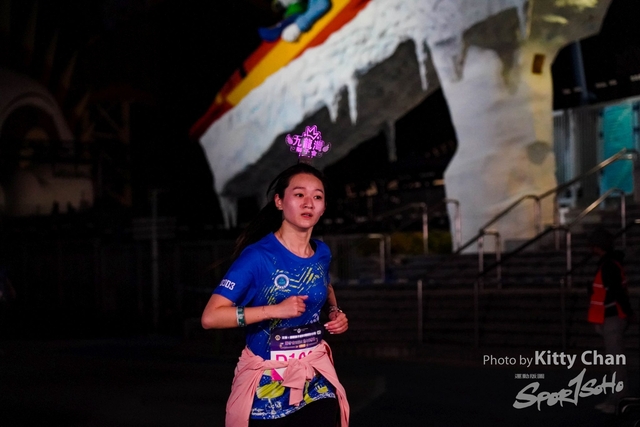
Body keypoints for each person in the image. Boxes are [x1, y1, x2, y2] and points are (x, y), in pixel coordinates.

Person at [201, 162, 349, 427]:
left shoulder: (322, 253)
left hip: (314, 379)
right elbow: (211, 317)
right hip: (267, 387)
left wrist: (334, 311)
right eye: (299, 194)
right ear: (279, 201)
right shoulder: (257, 257)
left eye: (317, 197)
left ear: (324, 207)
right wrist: (274, 310)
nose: (308, 203)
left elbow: (324, 285)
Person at [586, 227, 634, 414]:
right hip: (613, 317)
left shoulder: (608, 265)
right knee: (616, 361)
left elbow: (616, 292)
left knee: (616, 362)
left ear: (597, 246)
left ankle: (619, 400)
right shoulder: (610, 263)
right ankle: (616, 398)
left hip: (611, 318)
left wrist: (629, 313)